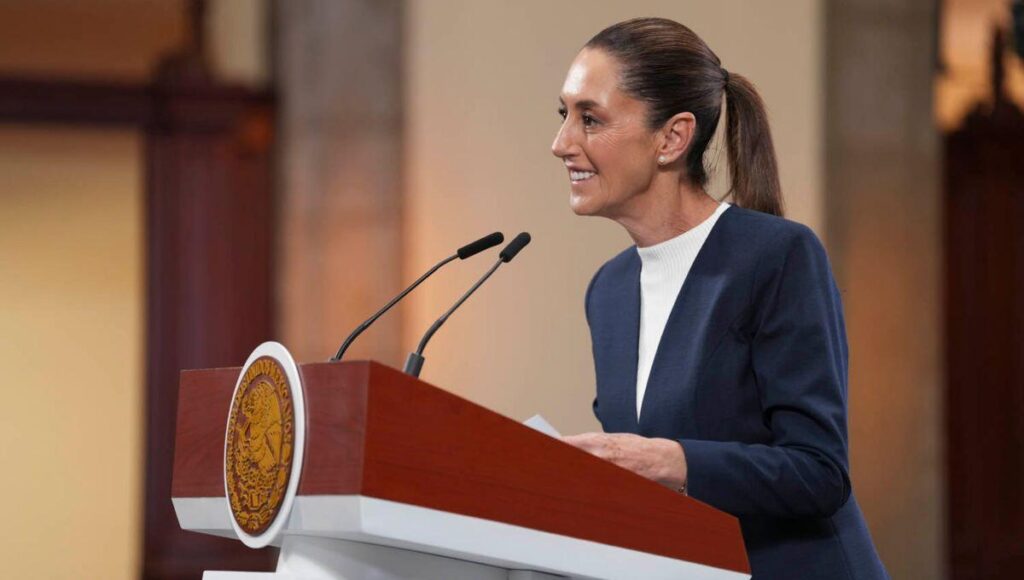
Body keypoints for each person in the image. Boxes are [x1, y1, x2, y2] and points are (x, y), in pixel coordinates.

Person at [553, 17, 888, 579]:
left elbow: (821, 471)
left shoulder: (779, 256)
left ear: (673, 138)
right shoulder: (607, 292)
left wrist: (669, 460)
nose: (562, 143)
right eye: (563, 115)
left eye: (591, 119)